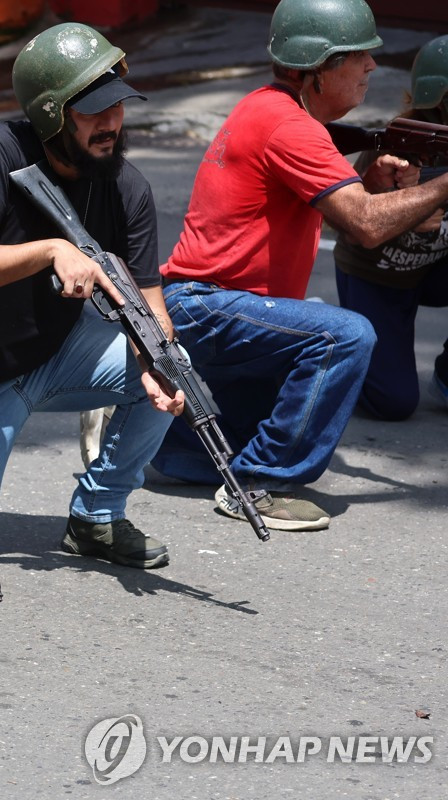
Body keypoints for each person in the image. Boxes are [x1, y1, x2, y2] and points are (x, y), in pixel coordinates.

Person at [0, 23, 184, 575]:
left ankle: (97, 516)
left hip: (48, 362)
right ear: (52, 114)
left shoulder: (127, 189)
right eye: (93, 111)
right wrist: (49, 249)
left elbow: (152, 303)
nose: (112, 123)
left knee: (178, 369)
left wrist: (156, 362)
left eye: (118, 106)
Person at [152, 0, 448, 530]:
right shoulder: (293, 126)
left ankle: (153, 428)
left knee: (210, 456)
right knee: (346, 336)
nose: (372, 68)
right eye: (360, 56)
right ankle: (262, 483)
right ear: (321, 65)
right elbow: (366, 225)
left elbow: (340, 215)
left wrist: (375, 183)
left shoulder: (268, 108)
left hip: (214, 312)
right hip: (210, 308)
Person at [334, 35, 448, 420]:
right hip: (376, 275)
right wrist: (413, 205)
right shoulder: (402, 143)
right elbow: (352, 227)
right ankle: (320, 345)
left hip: (432, 271)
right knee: (393, 404)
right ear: (440, 94)